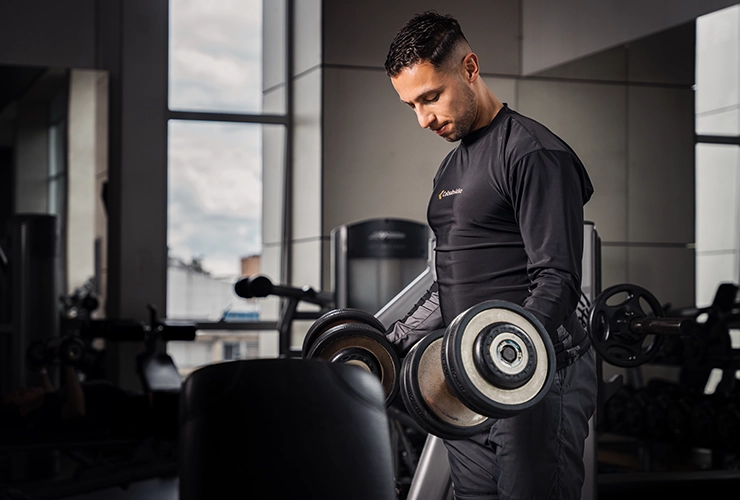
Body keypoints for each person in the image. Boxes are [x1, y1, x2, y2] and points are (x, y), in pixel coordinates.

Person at [383, 11, 597, 500]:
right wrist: (386, 343)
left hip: (536, 378)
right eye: (411, 105)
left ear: (470, 68)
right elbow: (448, 282)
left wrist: (505, 360)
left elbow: (556, 280)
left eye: (430, 97)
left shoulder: (533, 154)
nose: (423, 119)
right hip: (467, 382)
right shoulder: (449, 169)